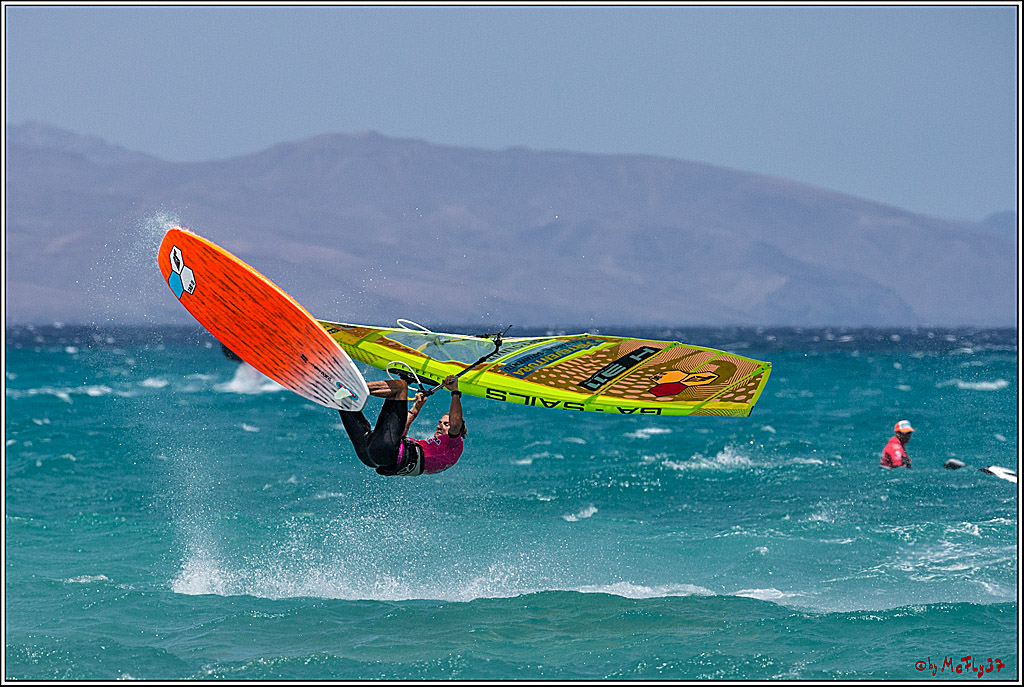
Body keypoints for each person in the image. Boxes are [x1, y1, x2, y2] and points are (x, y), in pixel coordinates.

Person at [338, 374, 466, 476]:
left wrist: (455, 391)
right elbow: (397, 433)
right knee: (344, 402)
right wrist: (416, 408)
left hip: (385, 453)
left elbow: (455, 424)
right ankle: (341, 396)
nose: (440, 426)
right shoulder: (431, 449)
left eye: (446, 424)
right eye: (440, 423)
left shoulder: (454, 445)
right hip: (370, 457)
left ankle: (356, 389)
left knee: (401, 387)